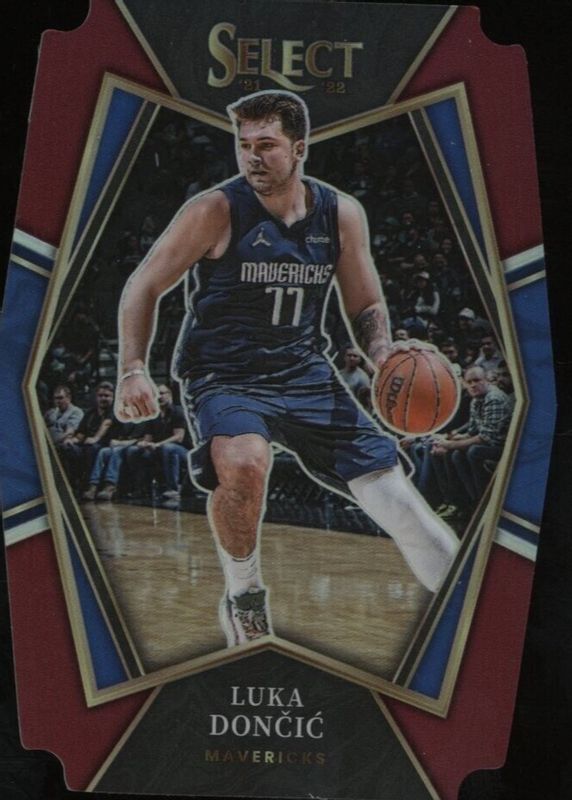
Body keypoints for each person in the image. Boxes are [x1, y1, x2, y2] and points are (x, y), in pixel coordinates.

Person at [115, 90, 458, 647]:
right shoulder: (214, 210)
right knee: (246, 461)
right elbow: (143, 285)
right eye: (244, 144)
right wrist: (133, 367)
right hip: (224, 375)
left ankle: (473, 615)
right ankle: (244, 596)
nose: (252, 157)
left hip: (305, 372)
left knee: (396, 499)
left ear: (299, 148)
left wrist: (381, 355)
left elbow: (366, 303)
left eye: (267, 145)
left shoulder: (340, 213)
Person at [430, 366, 512, 518]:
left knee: (473, 452)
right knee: (452, 453)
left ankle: (484, 502)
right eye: (469, 382)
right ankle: (464, 502)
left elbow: (485, 438)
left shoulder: (494, 398)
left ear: (486, 380)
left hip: (506, 447)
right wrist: (448, 440)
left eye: (477, 380)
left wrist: (450, 444)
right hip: (488, 443)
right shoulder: (475, 400)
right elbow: (472, 431)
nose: (473, 385)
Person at [125, 384, 190, 500]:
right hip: (159, 449)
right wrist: (143, 444)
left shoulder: (178, 411)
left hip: (182, 451)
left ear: (169, 395)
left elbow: (178, 437)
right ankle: (142, 489)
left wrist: (158, 444)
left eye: (162, 393)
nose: (159, 397)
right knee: (133, 450)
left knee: (168, 448)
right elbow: (148, 438)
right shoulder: (153, 415)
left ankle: (173, 489)